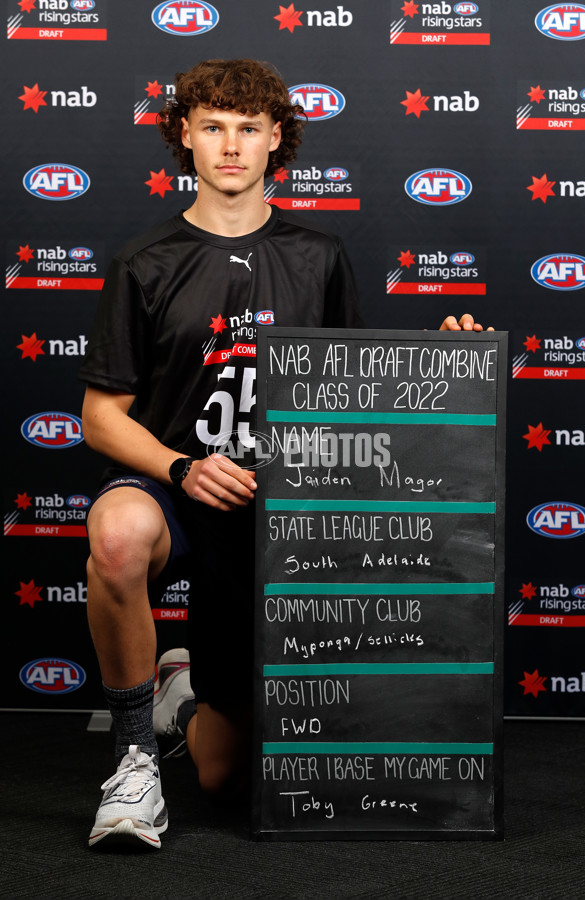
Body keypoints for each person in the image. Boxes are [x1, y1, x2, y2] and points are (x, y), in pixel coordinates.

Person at [79, 57, 492, 850]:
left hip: (282, 509)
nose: (230, 145)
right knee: (117, 536)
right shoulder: (146, 261)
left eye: (248, 129)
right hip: (174, 488)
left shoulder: (320, 254)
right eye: (212, 127)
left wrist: (450, 362)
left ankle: (182, 692)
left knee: (225, 780)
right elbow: (101, 418)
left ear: (276, 143)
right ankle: (133, 759)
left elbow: (356, 390)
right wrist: (179, 468)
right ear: (185, 139)